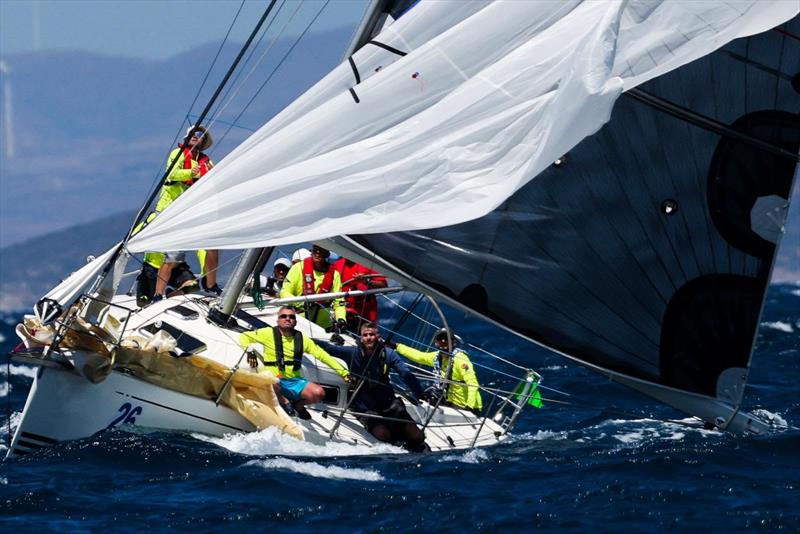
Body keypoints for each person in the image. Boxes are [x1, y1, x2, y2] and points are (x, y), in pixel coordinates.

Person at [316, 322, 428, 452]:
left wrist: (420, 393)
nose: (369, 337)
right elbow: (330, 349)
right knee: (383, 434)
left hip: (387, 401)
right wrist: (305, 339)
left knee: (418, 436)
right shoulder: (352, 353)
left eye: (372, 334)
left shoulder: (388, 354)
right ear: (361, 338)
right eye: (365, 335)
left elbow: (405, 373)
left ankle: (409, 442)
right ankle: (397, 443)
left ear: (378, 336)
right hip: (363, 404)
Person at [239, 305, 351, 419]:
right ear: (278, 320)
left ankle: (298, 405)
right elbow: (244, 337)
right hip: (274, 378)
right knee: (273, 381)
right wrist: (250, 351)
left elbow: (323, 356)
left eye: (291, 317)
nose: (287, 319)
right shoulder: (267, 333)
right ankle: (285, 402)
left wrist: (343, 372)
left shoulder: (303, 339)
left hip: (294, 381)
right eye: (283, 316)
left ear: (295, 321)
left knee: (319, 393)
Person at [152, 125, 221, 300]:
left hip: (193, 211)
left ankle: (210, 284)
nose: (196, 136)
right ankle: (158, 294)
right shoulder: (178, 154)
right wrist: (191, 172)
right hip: (171, 211)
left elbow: (214, 180)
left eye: (200, 135)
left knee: (210, 248)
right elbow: (171, 174)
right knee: (172, 255)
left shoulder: (206, 161)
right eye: (193, 134)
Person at [391, 328, 483, 415]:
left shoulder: (461, 360)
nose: (443, 345)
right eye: (440, 342)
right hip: (449, 402)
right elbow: (419, 356)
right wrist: (397, 346)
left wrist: (469, 407)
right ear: (436, 344)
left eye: (446, 342)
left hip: (466, 406)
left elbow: (472, 383)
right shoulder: (437, 357)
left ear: (454, 343)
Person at [280, 244, 346, 331]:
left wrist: (341, 318)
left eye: (321, 251)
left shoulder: (334, 275)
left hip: (323, 326)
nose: (317, 253)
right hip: (299, 322)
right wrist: (301, 303)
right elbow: (284, 292)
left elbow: (339, 301)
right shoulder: (298, 268)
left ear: (327, 254)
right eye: (315, 250)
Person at [334, 256, 388, 333]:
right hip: (342, 313)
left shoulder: (367, 263)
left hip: (364, 316)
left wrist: (366, 282)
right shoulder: (337, 264)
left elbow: (384, 287)